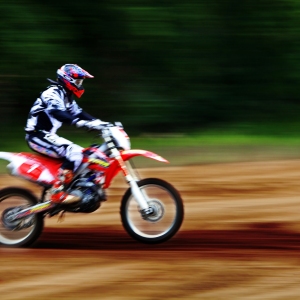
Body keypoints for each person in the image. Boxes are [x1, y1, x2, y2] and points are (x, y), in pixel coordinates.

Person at [25, 64, 108, 204]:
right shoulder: (52, 92)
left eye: (81, 82)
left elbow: (79, 113)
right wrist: (78, 122)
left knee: (84, 154)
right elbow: (58, 112)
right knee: (74, 153)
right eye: (77, 81)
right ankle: (57, 192)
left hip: (47, 135)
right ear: (66, 79)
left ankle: (75, 187)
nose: (80, 85)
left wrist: (101, 123)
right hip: (36, 135)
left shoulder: (67, 97)